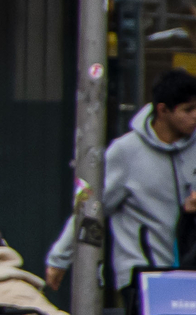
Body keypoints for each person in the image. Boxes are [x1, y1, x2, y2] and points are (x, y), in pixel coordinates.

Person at [46, 68, 196, 298]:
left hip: (190, 271)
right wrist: (60, 259)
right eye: (188, 110)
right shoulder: (126, 152)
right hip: (143, 274)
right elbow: (91, 206)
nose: (195, 116)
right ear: (162, 110)